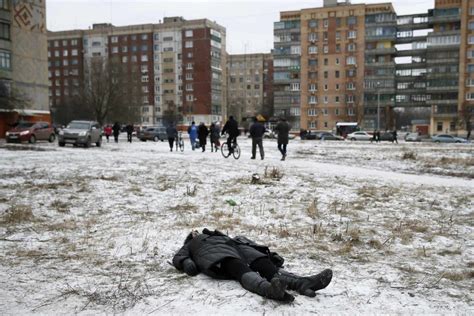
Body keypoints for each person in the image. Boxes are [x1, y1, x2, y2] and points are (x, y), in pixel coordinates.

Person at [172, 229, 333, 303]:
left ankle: (302, 283)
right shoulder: (192, 244)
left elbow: (246, 241)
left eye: (197, 231)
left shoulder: (220, 235)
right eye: (193, 233)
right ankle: (269, 290)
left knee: (262, 262)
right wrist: (186, 262)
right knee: (239, 267)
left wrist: (271, 255)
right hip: (218, 256)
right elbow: (179, 256)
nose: (196, 232)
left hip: (238, 248)